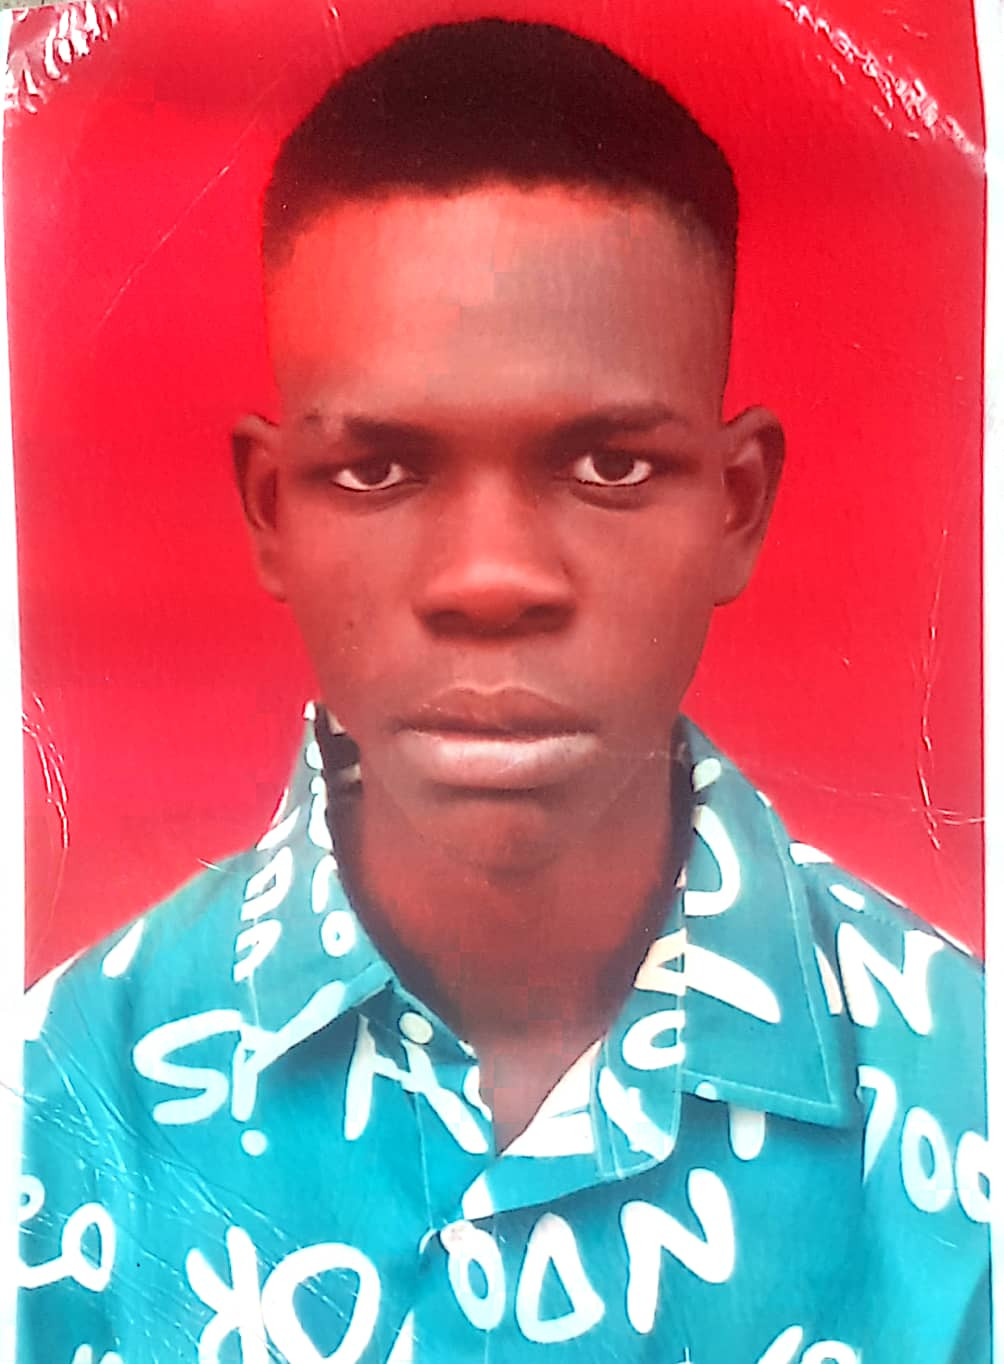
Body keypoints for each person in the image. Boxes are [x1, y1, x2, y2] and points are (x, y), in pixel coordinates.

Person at [17, 18, 989, 1364]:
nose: (490, 579)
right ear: (271, 511)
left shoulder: (965, 1090)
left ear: (738, 505)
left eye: (609, 467)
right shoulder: (57, 1106)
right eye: (378, 470)